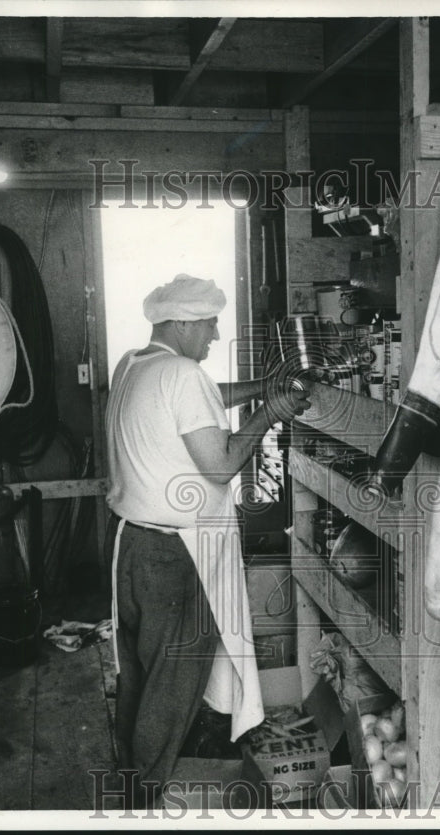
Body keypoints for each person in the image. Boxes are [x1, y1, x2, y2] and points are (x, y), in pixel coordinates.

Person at [104, 273, 310, 807]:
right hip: (177, 555)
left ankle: (129, 773)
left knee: (139, 673)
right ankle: (144, 800)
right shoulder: (182, 373)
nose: (216, 335)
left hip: (132, 545)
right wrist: (271, 414)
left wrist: (260, 389)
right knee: (173, 685)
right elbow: (219, 466)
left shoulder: (135, 364)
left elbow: (203, 400)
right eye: (210, 324)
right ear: (181, 323)